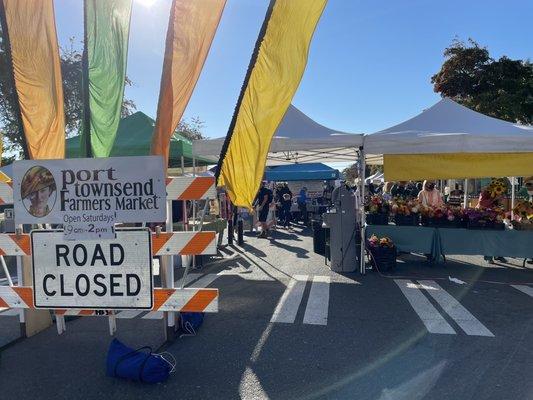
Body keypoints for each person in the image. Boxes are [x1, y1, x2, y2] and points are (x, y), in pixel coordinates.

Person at [476, 179, 507, 264]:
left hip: (497, 216)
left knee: (500, 236)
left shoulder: (499, 192)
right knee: (489, 236)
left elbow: (501, 204)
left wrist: (500, 199)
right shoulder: (485, 192)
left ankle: (499, 255)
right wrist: (494, 198)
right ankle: (488, 257)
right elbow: (482, 203)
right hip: (486, 216)